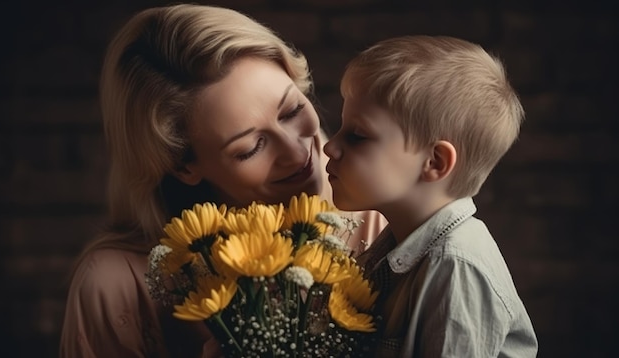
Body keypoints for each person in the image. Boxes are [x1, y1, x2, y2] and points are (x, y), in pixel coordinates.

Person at [59, 4, 387, 358]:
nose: (297, 151)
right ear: (183, 166)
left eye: (292, 110)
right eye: (251, 147)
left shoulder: (386, 207)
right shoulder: (117, 284)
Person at [323, 35, 538, 357]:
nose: (330, 146)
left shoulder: (455, 267)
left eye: (357, 136)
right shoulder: (394, 245)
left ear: (434, 162)